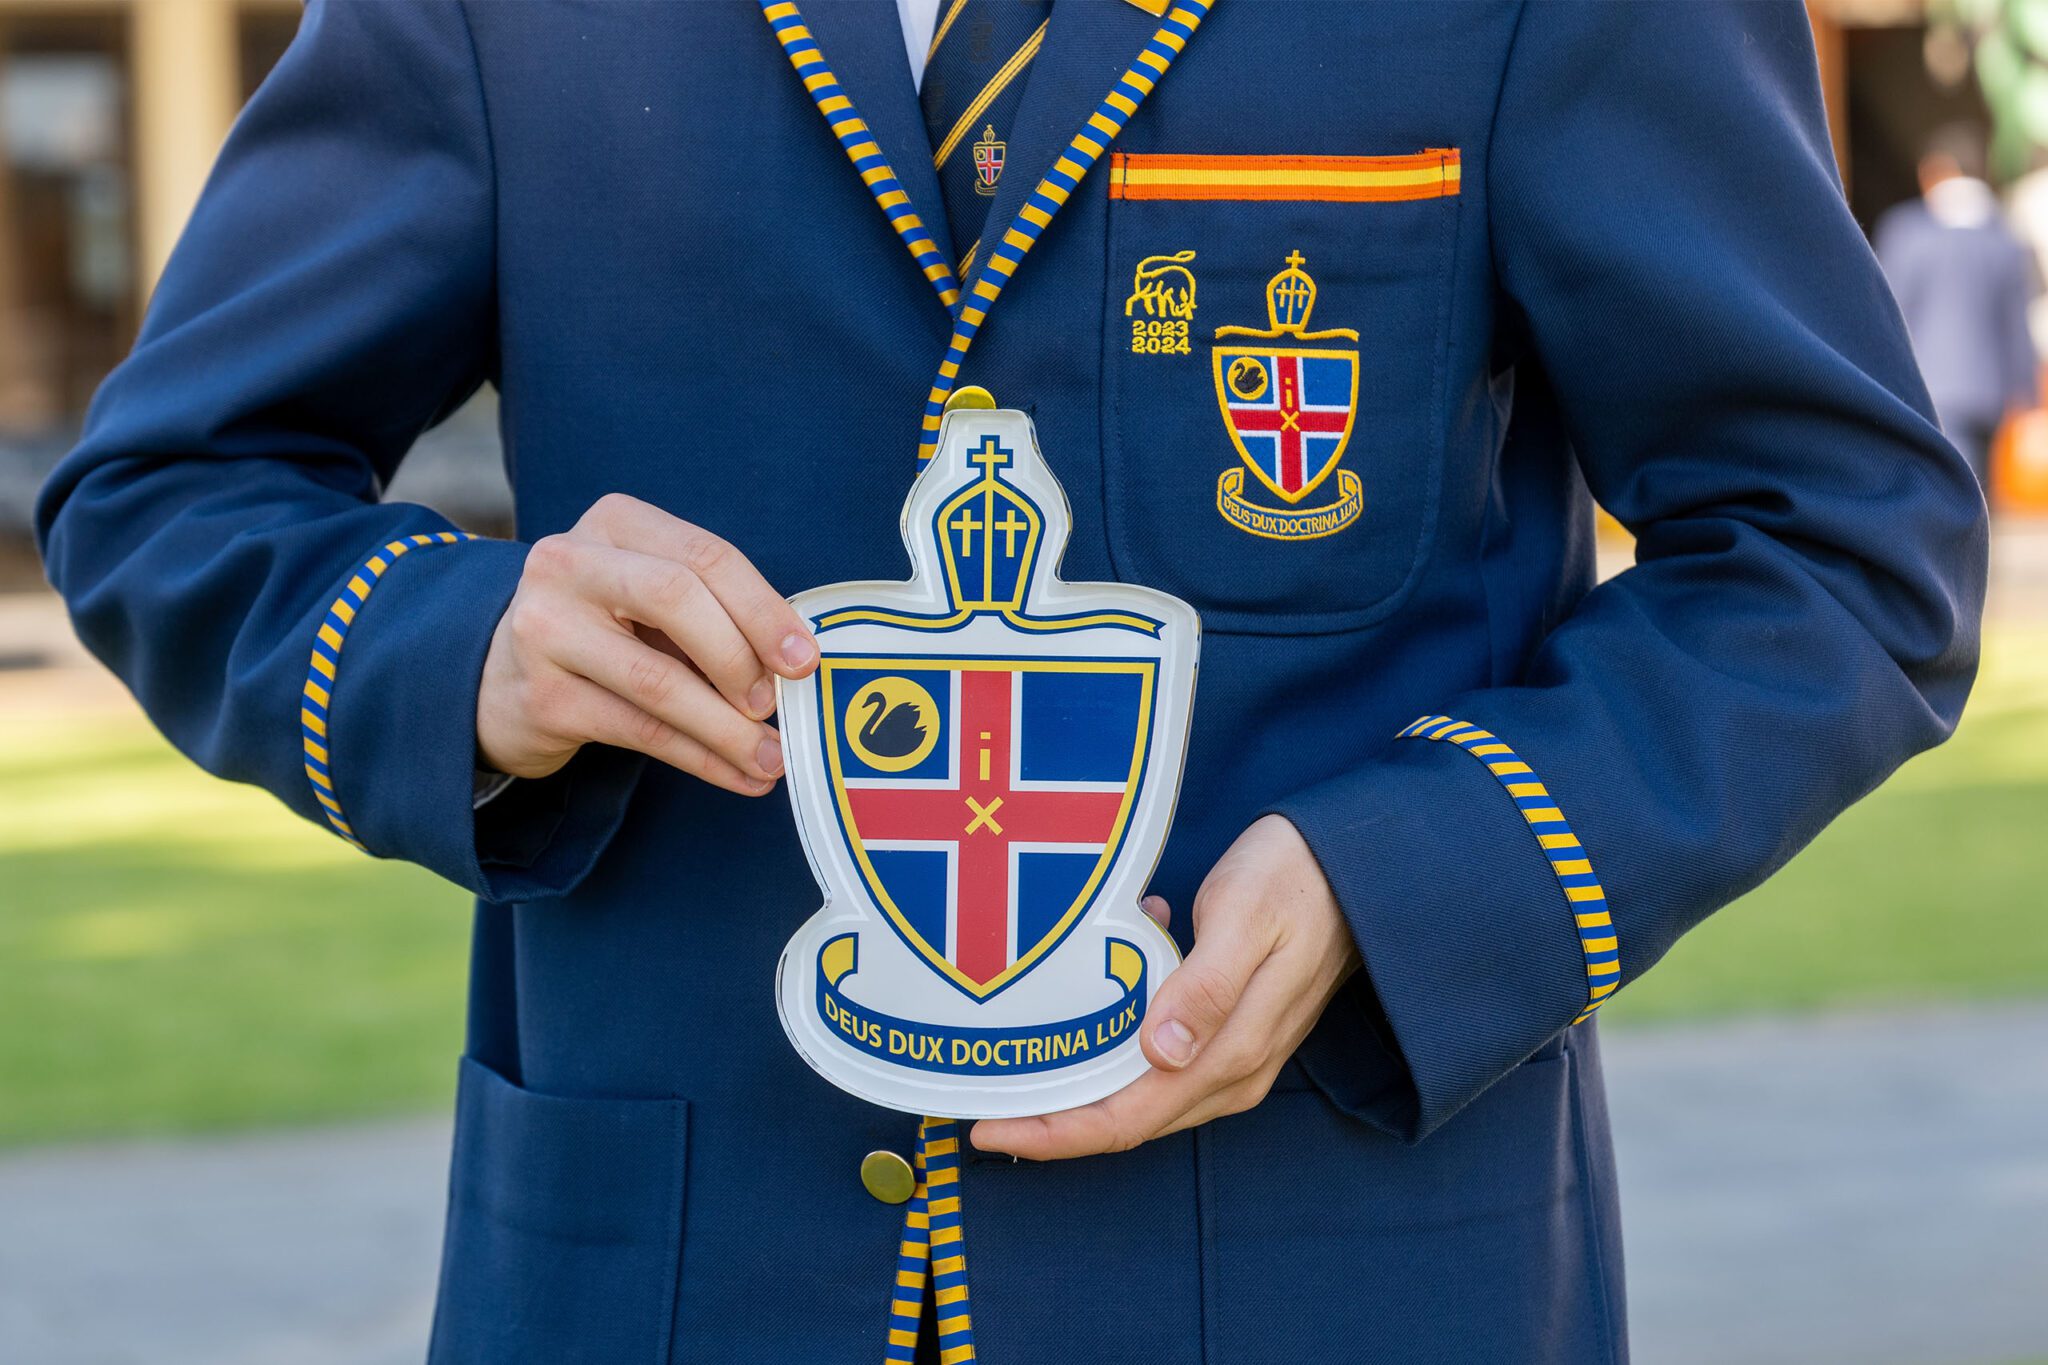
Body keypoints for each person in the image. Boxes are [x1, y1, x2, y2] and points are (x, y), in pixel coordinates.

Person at [35, 2, 1985, 1361]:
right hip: (670, 1286)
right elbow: (169, 490)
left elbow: (1834, 544)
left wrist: (1412, 879)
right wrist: (461, 649)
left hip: (1344, 1275)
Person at [1875, 124, 2038, 485]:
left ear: (1936, 169)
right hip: (1989, 394)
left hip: (1927, 388)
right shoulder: (2006, 238)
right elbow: (2017, 324)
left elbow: (1888, 314)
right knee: (1980, 494)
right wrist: (2028, 396)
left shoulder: (1907, 233)